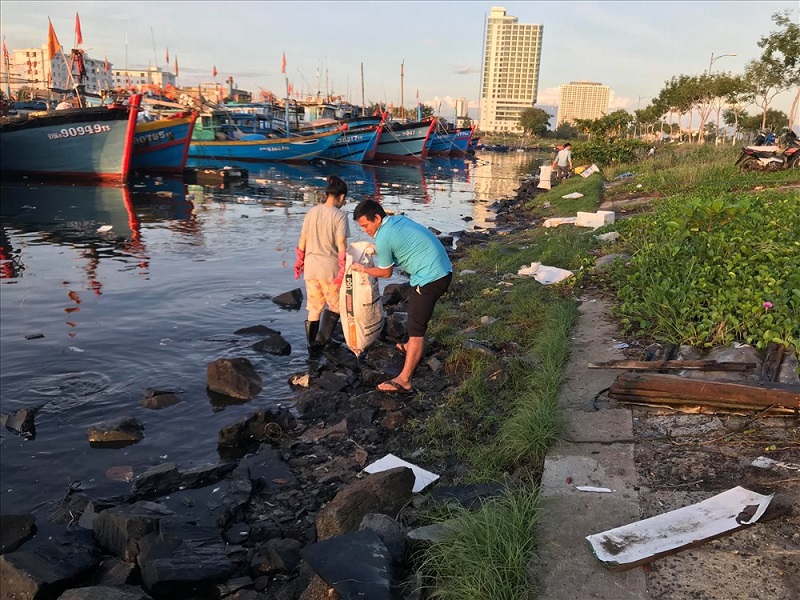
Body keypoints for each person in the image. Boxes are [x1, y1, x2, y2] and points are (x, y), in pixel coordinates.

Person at [351, 199, 453, 393]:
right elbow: (399, 245)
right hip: (441, 270)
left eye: (365, 225)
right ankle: (408, 347)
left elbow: (385, 273)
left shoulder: (383, 237)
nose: (364, 230)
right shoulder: (396, 221)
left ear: (377, 218)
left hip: (432, 278)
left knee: (416, 329)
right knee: (414, 309)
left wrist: (361, 269)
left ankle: (404, 379)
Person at [294, 176, 350, 352]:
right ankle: (322, 342)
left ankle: (311, 346)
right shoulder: (340, 216)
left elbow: (302, 239)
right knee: (335, 305)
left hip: (310, 267)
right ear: (341, 196)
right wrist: (344, 267)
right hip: (329, 268)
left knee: (314, 307)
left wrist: (299, 261)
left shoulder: (312, 211)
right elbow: (341, 244)